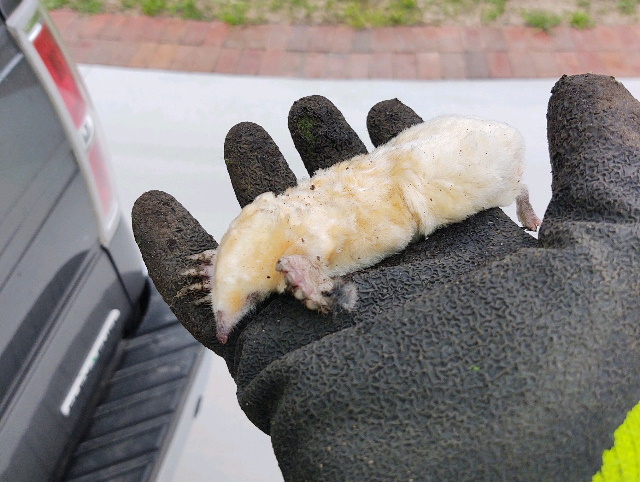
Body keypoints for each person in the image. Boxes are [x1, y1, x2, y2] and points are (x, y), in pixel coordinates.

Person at [132, 74, 640, 480]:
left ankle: (519, 194)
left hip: (440, 176)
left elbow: (304, 267)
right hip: (423, 169)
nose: (226, 330)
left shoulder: (302, 247)